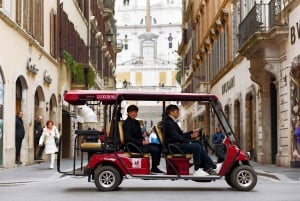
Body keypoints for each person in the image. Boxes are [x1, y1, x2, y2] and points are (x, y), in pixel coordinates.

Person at [164, 104, 216, 176]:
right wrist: (189, 140)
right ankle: (197, 169)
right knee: (196, 147)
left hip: (177, 144)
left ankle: (206, 166)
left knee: (198, 142)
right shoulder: (169, 123)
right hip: (174, 146)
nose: (178, 114)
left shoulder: (172, 122)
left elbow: (181, 135)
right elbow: (176, 137)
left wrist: (192, 133)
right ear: (171, 112)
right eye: (177, 112)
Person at [123, 105, 164, 174]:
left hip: (138, 144)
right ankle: (154, 168)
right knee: (155, 149)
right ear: (128, 113)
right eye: (132, 112)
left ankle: (155, 166)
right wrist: (142, 142)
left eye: (135, 112)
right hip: (132, 146)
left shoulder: (136, 122)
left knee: (159, 146)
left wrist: (144, 137)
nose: (134, 113)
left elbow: (138, 135)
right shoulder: (127, 123)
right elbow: (128, 138)